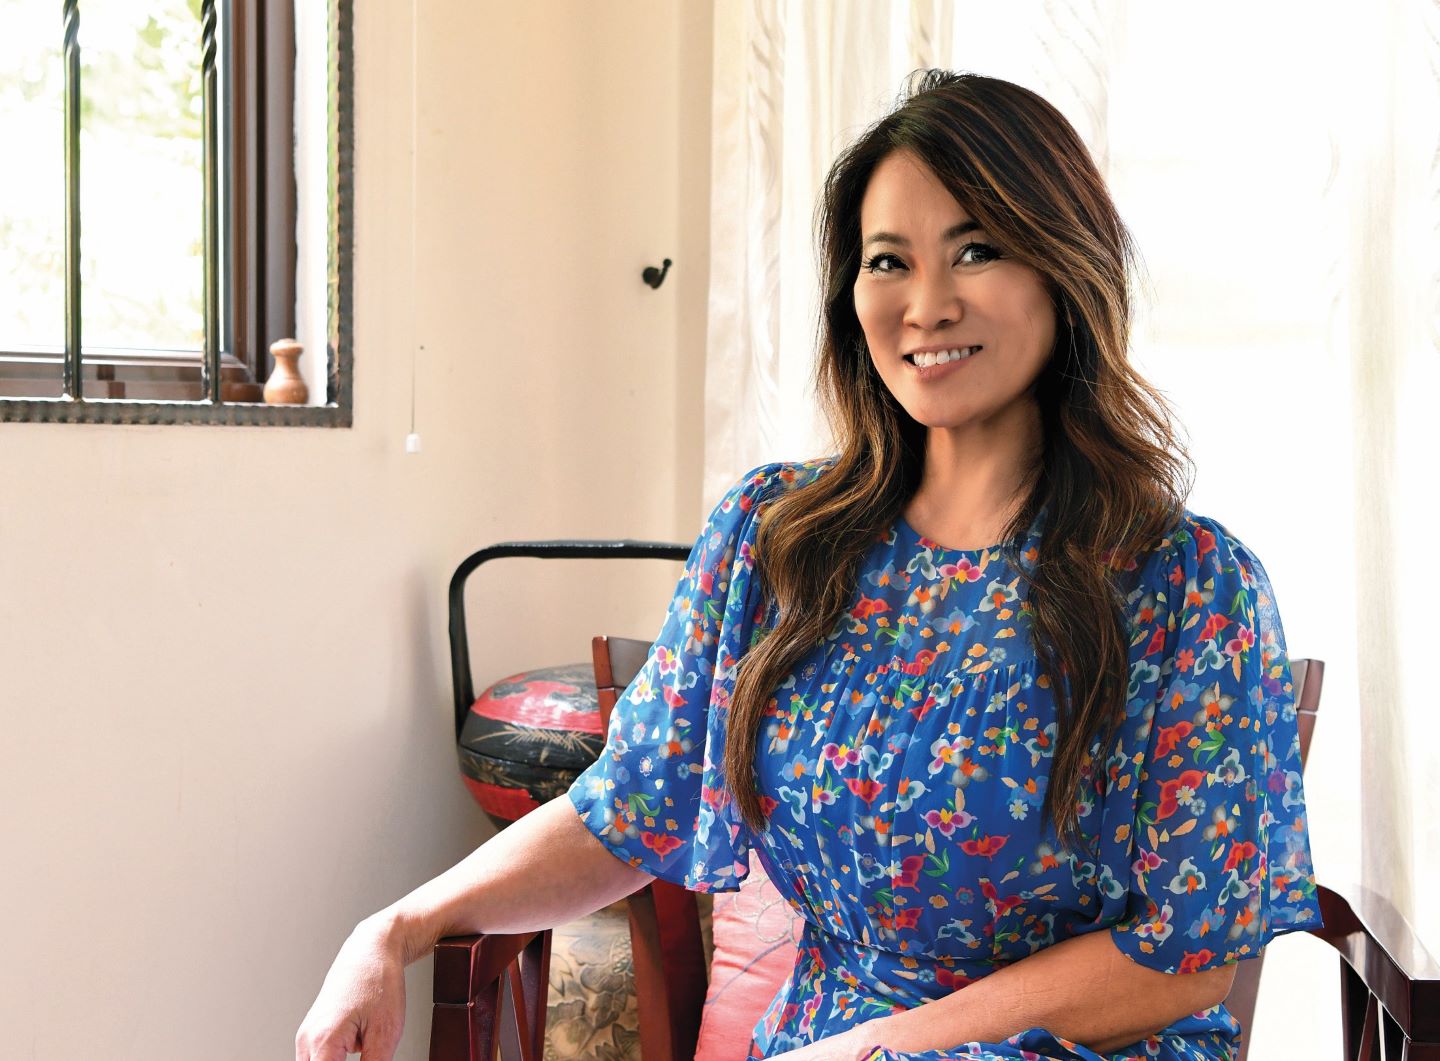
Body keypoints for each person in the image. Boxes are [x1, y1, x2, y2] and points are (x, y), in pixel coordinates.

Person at [296, 69, 1323, 1061]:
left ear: (1065, 266)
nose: (926, 304)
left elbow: (1187, 960)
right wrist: (394, 927)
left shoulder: (1188, 583)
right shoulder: (774, 538)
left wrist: (868, 1049)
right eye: (888, 261)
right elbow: (625, 809)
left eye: (976, 250)